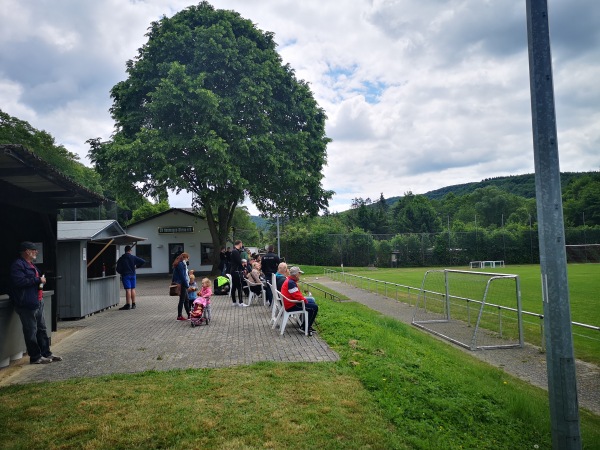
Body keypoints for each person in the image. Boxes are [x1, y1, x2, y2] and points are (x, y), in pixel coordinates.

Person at [10, 241, 62, 364]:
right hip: (27, 303)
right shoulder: (18, 265)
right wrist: (38, 279)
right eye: (34, 250)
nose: (36, 252)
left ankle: (46, 353)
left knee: (42, 329)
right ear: (27, 251)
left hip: (37, 300)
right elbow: (19, 282)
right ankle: (35, 357)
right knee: (31, 331)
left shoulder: (31, 264)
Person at [281, 266, 318, 336]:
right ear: (296, 274)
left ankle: (306, 324)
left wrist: (305, 300)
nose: (300, 275)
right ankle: (304, 327)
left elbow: (297, 295)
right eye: (299, 273)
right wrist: (305, 300)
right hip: (292, 305)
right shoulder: (291, 283)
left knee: (312, 302)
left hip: (291, 302)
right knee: (314, 307)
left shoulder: (290, 281)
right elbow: (298, 296)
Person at [116, 245, 145, 310]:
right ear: (130, 250)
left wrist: (122, 272)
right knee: (133, 289)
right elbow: (143, 261)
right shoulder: (133, 257)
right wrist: (136, 267)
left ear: (125, 250)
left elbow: (117, 269)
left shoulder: (122, 258)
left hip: (126, 275)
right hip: (133, 275)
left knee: (128, 290)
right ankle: (134, 304)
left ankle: (128, 304)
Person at [172, 252, 191, 320]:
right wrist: (186, 284)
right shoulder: (181, 264)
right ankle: (179, 316)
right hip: (182, 284)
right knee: (183, 300)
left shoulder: (181, 264)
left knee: (186, 300)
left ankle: (189, 314)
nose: (188, 260)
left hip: (182, 283)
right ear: (185, 258)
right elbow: (182, 276)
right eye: (187, 259)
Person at [229, 240, 247, 307]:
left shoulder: (233, 251)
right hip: (236, 271)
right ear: (240, 244)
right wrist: (243, 269)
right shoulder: (235, 251)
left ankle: (234, 302)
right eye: (241, 244)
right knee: (239, 286)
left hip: (233, 270)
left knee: (234, 286)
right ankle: (241, 302)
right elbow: (239, 262)